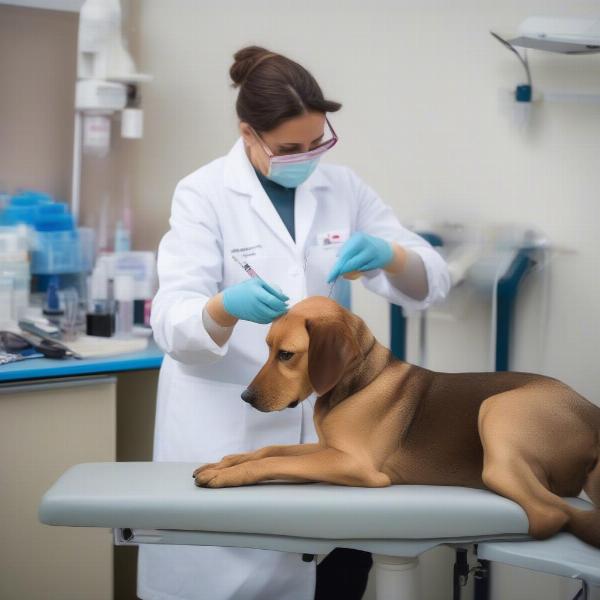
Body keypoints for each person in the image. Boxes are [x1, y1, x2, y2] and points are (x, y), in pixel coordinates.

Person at [138, 45, 451, 600]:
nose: (306, 158)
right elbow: (171, 322)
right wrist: (223, 307)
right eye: (289, 149)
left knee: (335, 577)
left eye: (317, 143)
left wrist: (388, 253)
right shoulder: (203, 194)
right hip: (229, 431)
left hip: (334, 445)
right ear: (247, 134)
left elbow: (431, 280)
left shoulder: (343, 188)